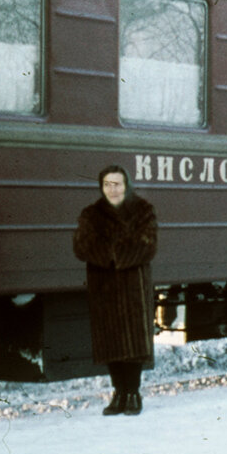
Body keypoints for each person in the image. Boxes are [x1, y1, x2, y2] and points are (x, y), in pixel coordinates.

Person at [73, 165, 158, 416]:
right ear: (101, 187)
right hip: (105, 288)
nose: (113, 189)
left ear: (126, 185)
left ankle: (133, 393)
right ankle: (119, 392)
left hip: (133, 288)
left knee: (133, 342)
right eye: (108, 184)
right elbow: (81, 246)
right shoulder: (90, 214)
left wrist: (112, 255)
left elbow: (148, 245)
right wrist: (117, 252)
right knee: (111, 342)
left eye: (117, 184)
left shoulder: (143, 211)